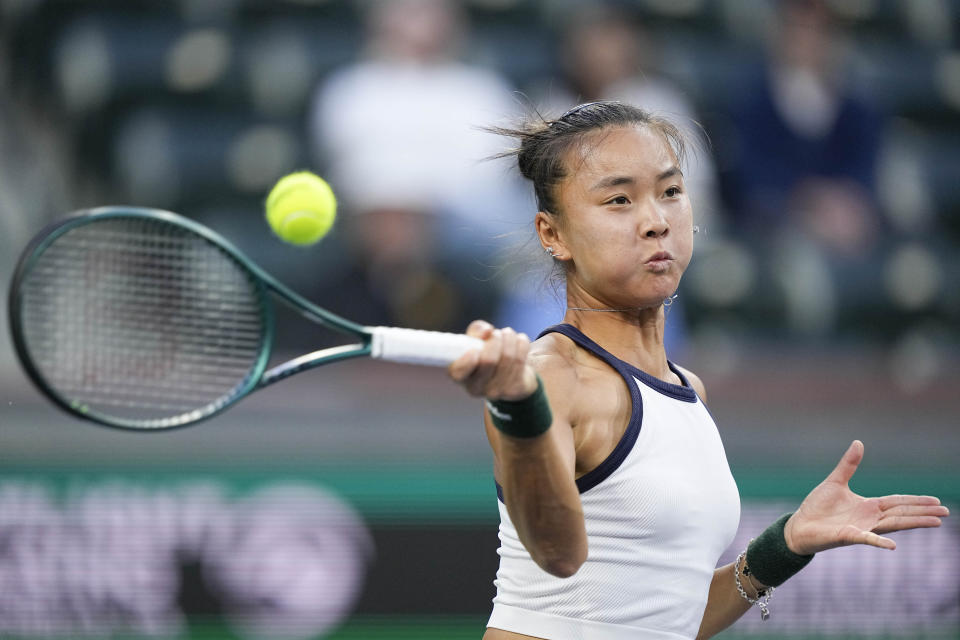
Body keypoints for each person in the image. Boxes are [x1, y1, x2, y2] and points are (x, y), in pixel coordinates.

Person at [447, 101, 948, 640]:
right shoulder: (550, 378)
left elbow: (665, 618)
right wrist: (519, 407)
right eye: (619, 200)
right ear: (553, 235)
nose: (656, 221)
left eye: (670, 192)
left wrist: (785, 546)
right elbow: (557, 553)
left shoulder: (687, 389)